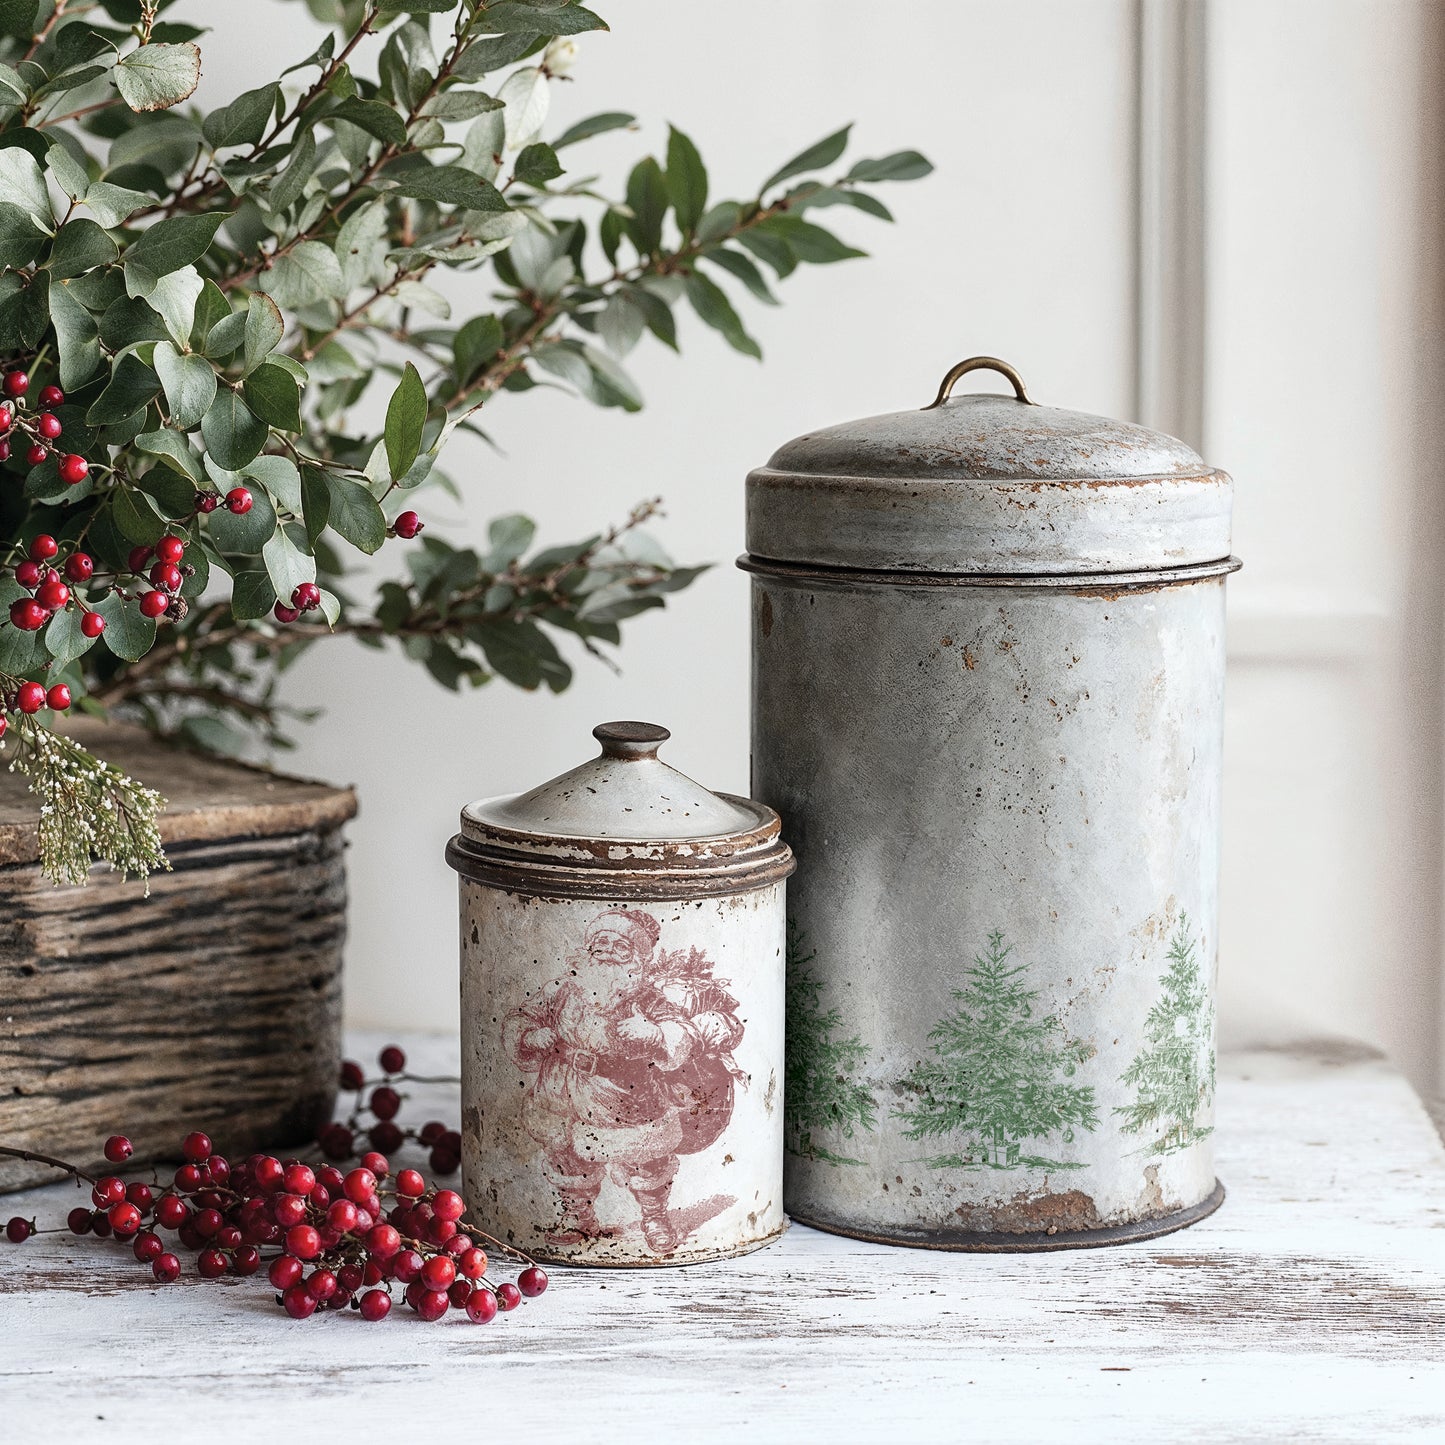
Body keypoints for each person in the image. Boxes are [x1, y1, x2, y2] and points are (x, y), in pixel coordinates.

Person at [503, 907, 745, 1253]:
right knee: (566, 1153)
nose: (608, 954)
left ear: (637, 961)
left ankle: (654, 1215)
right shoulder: (563, 990)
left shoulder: (645, 999)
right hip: (561, 1088)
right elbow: (522, 1016)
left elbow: (680, 1030)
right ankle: (577, 1216)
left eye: (622, 948)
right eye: (601, 945)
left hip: (624, 1095)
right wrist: (529, 1037)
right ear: (588, 951)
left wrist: (655, 1035)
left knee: (645, 1157)